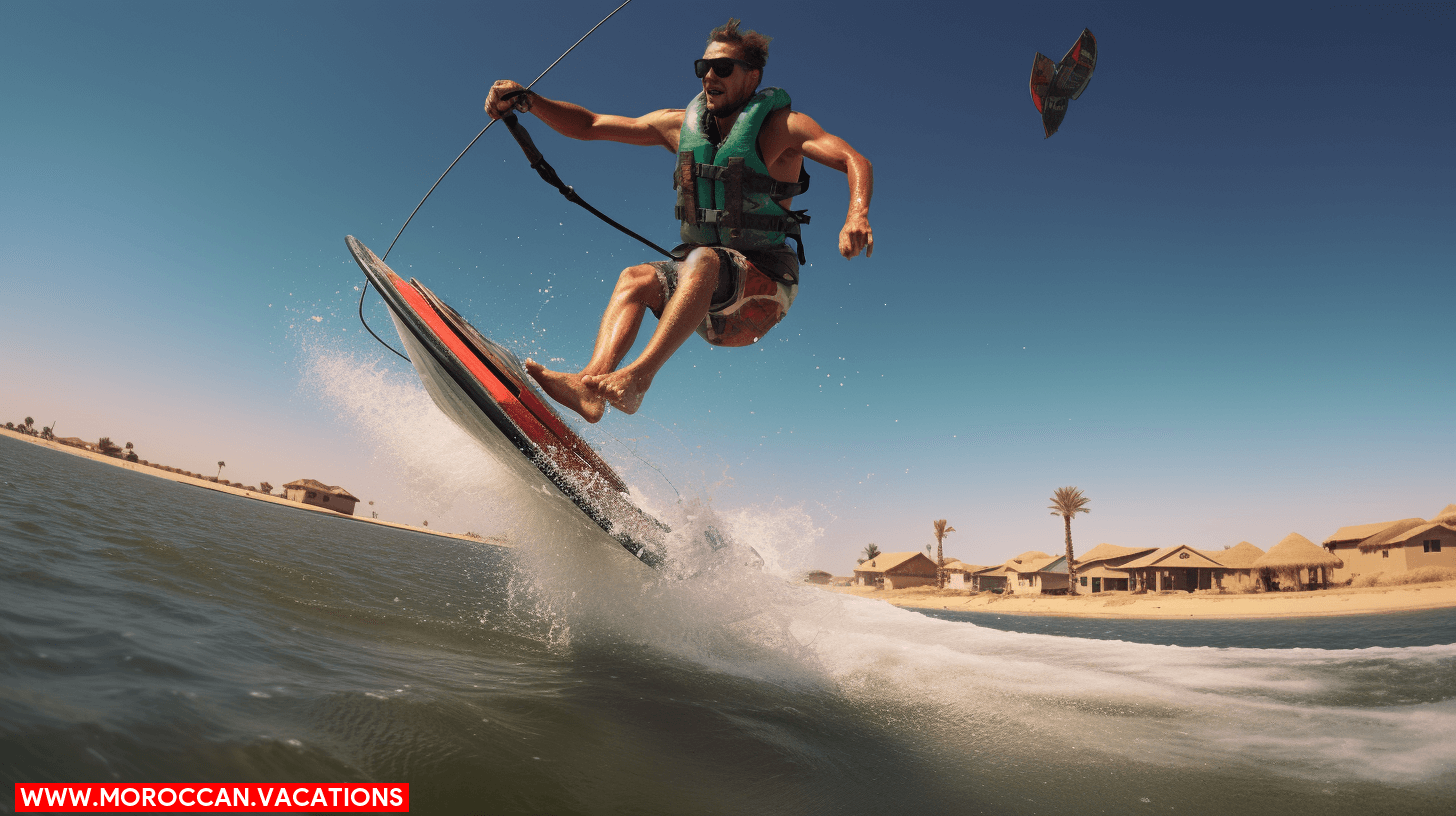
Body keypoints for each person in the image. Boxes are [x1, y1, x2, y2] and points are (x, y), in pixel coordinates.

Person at [485, 18, 873, 423]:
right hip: (702, 298)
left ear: (752, 76)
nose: (709, 76)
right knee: (635, 278)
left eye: (722, 68)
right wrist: (527, 102)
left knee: (702, 259)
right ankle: (589, 387)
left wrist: (856, 213)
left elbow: (853, 159)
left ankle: (637, 380)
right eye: (702, 67)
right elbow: (590, 125)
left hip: (762, 294)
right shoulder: (678, 124)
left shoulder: (783, 127)